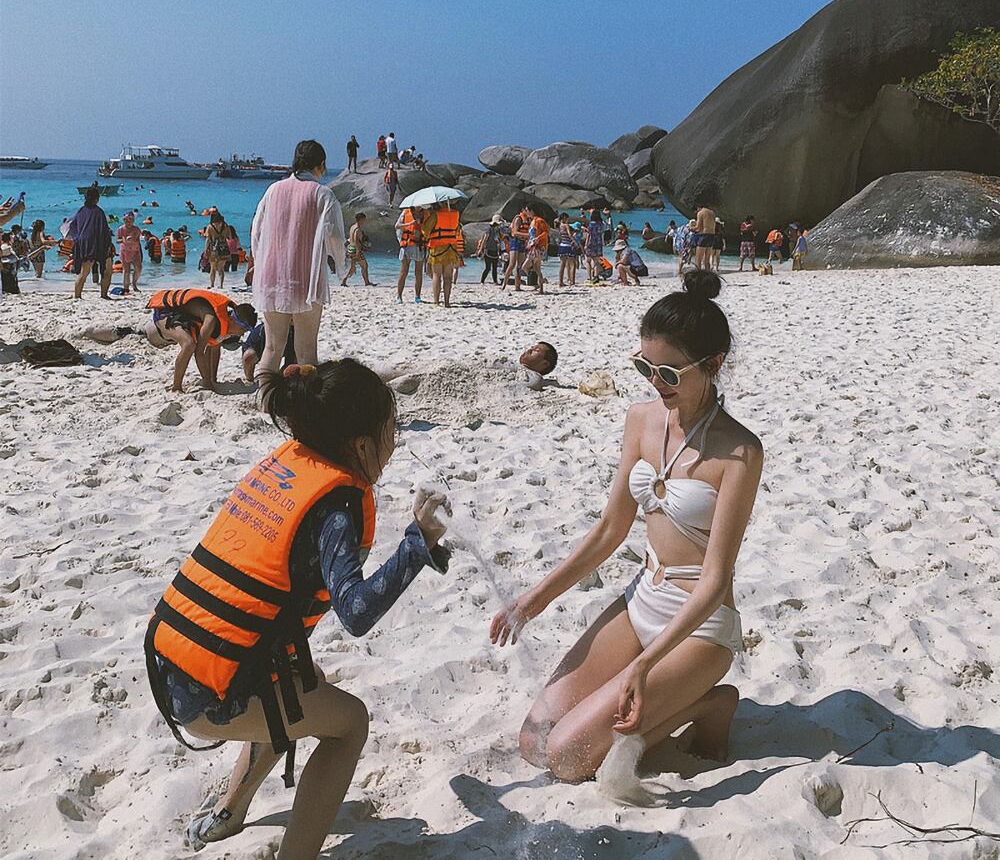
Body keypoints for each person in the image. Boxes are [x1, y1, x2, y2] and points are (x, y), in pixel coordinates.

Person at [144, 359, 451, 859]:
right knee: (350, 724)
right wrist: (417, 543)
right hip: (209, 695)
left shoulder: (289, 465)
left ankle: (228, 812)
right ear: (361, 445)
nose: (395, 443)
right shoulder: (336, 508)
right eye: (391, 431)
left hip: (171, 662)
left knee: (303, 679)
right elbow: (356, 613)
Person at [491, 270, 762, 782]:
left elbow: (715, 580)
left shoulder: (740, 452)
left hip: (700, 626)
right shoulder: (641, 419)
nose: (655, 383)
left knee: (567, 759)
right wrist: (533, 600)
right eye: (644, 367)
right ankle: (652, 692)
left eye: (669, 373)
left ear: (713, 364)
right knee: (535, 741)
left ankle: (710, 703)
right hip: (642, 599)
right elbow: (609, 530)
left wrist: (643, 665)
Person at [250, 139, 347, 374]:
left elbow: (257, 232)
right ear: (321, 165)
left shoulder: (273, 190)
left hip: (272, 279)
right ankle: (304, 397)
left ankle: (265, 394)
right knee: (306, 352)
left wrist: (259, 262)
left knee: (272, 348)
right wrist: (340, 264)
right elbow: (334, 235)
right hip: (307, 281)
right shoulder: (322, 194)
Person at [144, 288, 258, 392]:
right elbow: (199, 353)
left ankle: (211, 379)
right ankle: (176, 387)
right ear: (233, 319)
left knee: (207, 343)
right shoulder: (211, 320)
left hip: (182, 317)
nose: (243, 333)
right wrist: (207, 383)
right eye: (243, 328)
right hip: (165, 312)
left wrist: (213, 380)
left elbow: (215, 348)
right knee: (189, 344)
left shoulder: (223, 325)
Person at [69, 185, 113, 300]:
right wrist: (108, 245)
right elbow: (103, 230)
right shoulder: (99, 212)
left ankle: (77, 296)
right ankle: (104, 295)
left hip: (83, 243)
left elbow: (72, 226)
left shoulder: (81, 211)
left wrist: (77, 239)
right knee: (107, 270)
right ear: (97, 198)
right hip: (97, 242)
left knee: (84, 272)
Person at [426, 199, 460, 307]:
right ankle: (447, 302)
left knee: (437, 275)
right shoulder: (456, 214)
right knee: (448, 276)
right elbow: (457, 230)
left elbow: (425, 230)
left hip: (437, 248)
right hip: (451, 249)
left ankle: (436, 301)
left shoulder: (435, 215)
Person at [395, 204, 427, 304]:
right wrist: (410, 223)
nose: (419, 206)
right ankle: (399, 296)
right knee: (404, 272)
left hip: (419, 246)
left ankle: (417, 297)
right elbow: (397, 226)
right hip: (407, 245)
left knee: (418, 273)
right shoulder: (405, 212)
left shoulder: (425, 214)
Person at [499, 208, 529, 291]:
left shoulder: (528, 220)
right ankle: (504, 284)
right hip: (515, 241)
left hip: (522, 242)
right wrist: (527, 235)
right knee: (512, 264)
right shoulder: (518, 219)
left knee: (519, 265)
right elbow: (515, 232)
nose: (528, 212)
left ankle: (517, 286)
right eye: (526, 210)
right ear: (522, 210)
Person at [341, 213, 374, 287]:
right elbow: (357, 242)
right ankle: (367, 282)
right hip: (356, 249)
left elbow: (350, 239)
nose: (365, 221)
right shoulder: (358, 230)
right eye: (364, 220)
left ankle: (343, 281)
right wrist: (358, 253)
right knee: (364, 266)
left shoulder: (352, 227)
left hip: (350, 248)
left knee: (351, 267)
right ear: (361, 219)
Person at [523, 206, 549, 295]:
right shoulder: (532, 221)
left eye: (527, 210)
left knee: (525, 267)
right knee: (537, 268)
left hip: (537, 247)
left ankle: (537, 283)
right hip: (532, 247)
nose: (526, 212)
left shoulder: (539, 220)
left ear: (532, 211)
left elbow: (545, 232)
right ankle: (540, 285)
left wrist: (538, 238)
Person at [117, 212, 144, 292]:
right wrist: (124, 240)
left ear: (133, 220)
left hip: (135, 251)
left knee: (138, 269)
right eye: (126, 220)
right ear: (124, 220)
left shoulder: (136, 229)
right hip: (125, 251)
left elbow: (137, 240)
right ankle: (126, 288)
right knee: (126, 270)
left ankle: (134, 283)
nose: (128, 222)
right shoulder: (121, 229)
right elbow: (118, 240)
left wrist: (132, 240)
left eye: (130, 220)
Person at [204, 210, 231, 289]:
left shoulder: (210, 227)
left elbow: (208, 240)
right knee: (221, 268)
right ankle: (221, 285)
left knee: (213, 268)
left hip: (213, 249)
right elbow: (229, 237)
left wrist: (205, 249)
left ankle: (212, 284)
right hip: (223, 248)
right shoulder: (225, 226)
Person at [477, 216, 503, 285]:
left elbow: (499, 241)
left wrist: (500, 250)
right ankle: (482, 281)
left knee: (495, 267)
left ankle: (495, 281)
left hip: (495, 251)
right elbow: (484, 240)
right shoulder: (489, 229)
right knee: (488, 268)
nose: (499, 225)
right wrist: (480, 250)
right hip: (488, 250)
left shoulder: (498, 231)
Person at [693, 203, 716, 271]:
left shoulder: (701, 213)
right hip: (712, 235)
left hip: (704, 236)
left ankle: (698, 275)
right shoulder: (712, 212)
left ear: (698, 207)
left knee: (698, 260)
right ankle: (708, 274)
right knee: (707, 260)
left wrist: (690, 228)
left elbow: (697, 227)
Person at [584, 208, 605, 284]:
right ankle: (596, 277)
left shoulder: (591, 224)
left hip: (591, 243)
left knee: (588, 261)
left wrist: (586, 244)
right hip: (598, 244)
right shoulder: (601, 224)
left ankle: (589, 277)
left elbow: (588, 235)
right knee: (596, 261)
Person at [557, 213, 576, 287]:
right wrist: (574, 240)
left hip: (562, 245)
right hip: (568, 246)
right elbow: (569, 235)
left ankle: (560, 282)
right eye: (567, 218)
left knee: (562, 265)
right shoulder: (566, 225)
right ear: (564, 218)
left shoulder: (560, 226)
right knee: (572, 264)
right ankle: (572, 281)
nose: (567, 220)